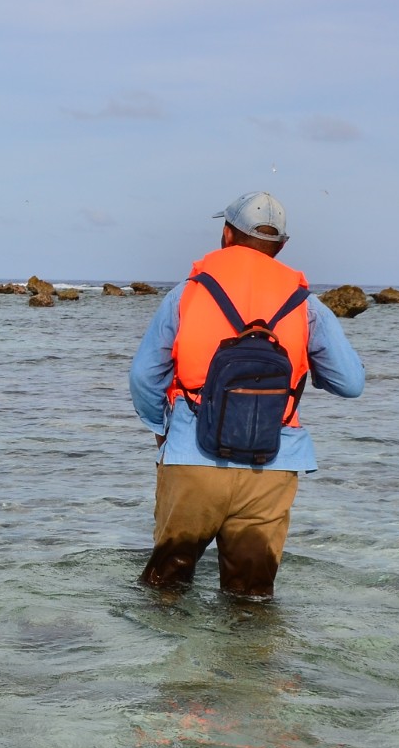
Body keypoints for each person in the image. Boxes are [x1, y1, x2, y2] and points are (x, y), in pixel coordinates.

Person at [128, 192, 365, 597]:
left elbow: (144, 377)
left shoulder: (188, 292)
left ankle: (166, 662)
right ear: (282, 246)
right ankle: (251, 661)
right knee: (251, 602)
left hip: (192, 460)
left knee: (163, 592)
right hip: (272, 466)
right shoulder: (305, 304)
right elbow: (350, 383)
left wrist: (162, 428)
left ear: (226, 234)